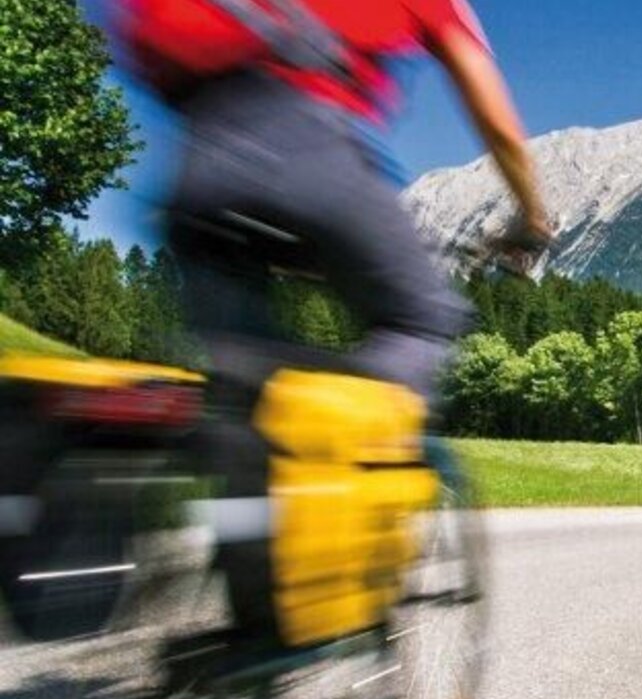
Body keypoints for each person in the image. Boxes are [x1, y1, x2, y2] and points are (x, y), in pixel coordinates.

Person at [120, 0, 551, 403]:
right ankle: (345, 444)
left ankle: (239, 460)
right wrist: (531, 217)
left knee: (241, 376)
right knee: (425, 318)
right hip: (309, 151)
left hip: (195, 166)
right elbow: (497, 123)